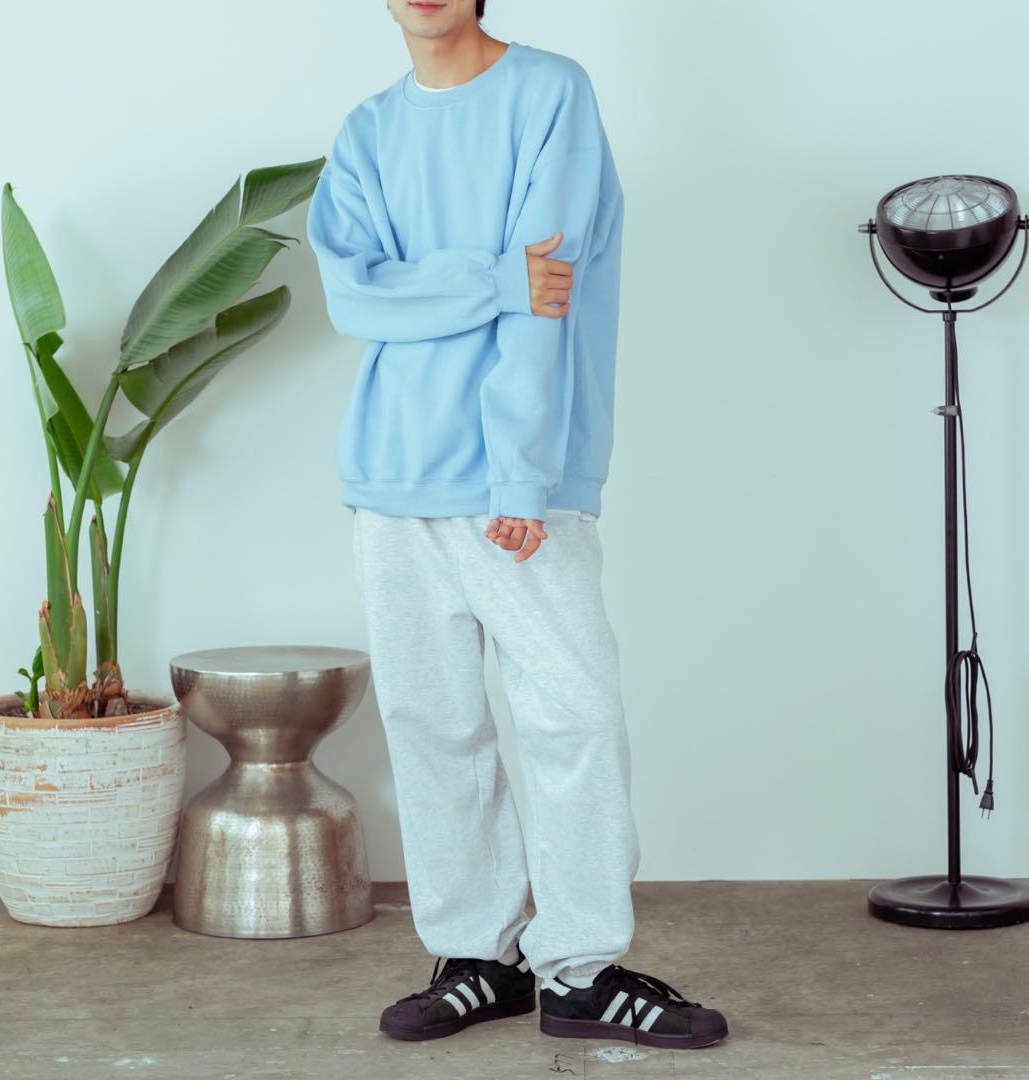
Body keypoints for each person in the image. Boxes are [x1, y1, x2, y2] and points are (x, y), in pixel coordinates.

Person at [305, 0, 728, 1052]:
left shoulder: (550, 93)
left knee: (573, 717)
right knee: (432, 723)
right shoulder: (368, 130)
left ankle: (581, 968)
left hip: (516, 482)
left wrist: (521, 475)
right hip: (391, 475)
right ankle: (477, 956)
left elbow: (549, 297)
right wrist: (490, 277)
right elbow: (354, 297)